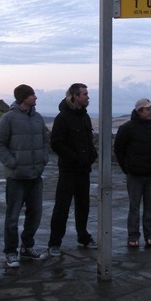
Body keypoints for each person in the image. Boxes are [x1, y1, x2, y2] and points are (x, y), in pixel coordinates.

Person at [0, 84, 48, 268]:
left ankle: (27, 246)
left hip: (35, 176)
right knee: (13, 217)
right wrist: (12, 162)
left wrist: (43, 159)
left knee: (35, 214)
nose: (35, 97)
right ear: (23, 97)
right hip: (16, 178)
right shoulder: (8, 118)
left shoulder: (38, 118)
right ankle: (10, 251)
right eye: (32, 94)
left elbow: (45, 141)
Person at [47, 83, 98, 256]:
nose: (87, 97)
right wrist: (74, 157)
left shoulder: (85, 117)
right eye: (84, 94)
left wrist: (92, 155)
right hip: (68, 170)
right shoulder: (62, 118)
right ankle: (54, 243)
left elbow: (88, 140)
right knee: (62, 207)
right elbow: (56, 143)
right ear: (75, 96)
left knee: (83, 205)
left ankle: (83, 236)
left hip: (84, 170)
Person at [113, 97, 151, 248]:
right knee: (134, 207)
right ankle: (133, 236)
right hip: (135, 175)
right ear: (140, 111)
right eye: (148, 109)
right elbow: (118, 149)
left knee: (150, 207)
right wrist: (127, 168)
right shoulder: (127, 128)